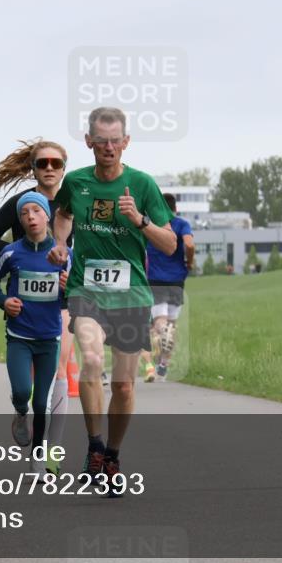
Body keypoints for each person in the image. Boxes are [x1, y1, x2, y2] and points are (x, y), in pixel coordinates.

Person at [47, 106, 175, 495]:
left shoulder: (143, 185)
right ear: (89, 142)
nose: (108, 147)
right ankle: (95, 447)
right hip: (86, 289)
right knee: (89, 358)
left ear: (126, 142)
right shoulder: (76, 182)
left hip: (131, 295)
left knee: (123, 386)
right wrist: (59, 244)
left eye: (115, 140)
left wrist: (140, 220)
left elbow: (169, 245)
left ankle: (114, 457)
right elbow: (64, 215)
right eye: (100, 140)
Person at [0, 138, 76, 472]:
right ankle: (25, 414)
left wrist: (70, 269)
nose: (49, 169)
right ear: (33, 168)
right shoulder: (21, 203)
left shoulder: (74, 201)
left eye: (56, 163)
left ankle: (51, 451)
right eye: (42, 163)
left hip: (63, 298)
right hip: (25, 305)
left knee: (61, 367)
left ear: (64, 168)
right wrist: (21, 259)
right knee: (28, 385)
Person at [144, 193, 195, 382]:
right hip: (177, 280)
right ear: (175, 208)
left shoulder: (150, 225)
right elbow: (189, 244)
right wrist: (189, 262)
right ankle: (164, 365)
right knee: (171, 325)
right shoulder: (181, 224)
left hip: (155, 279)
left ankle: (160, 335)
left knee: (159, 322)